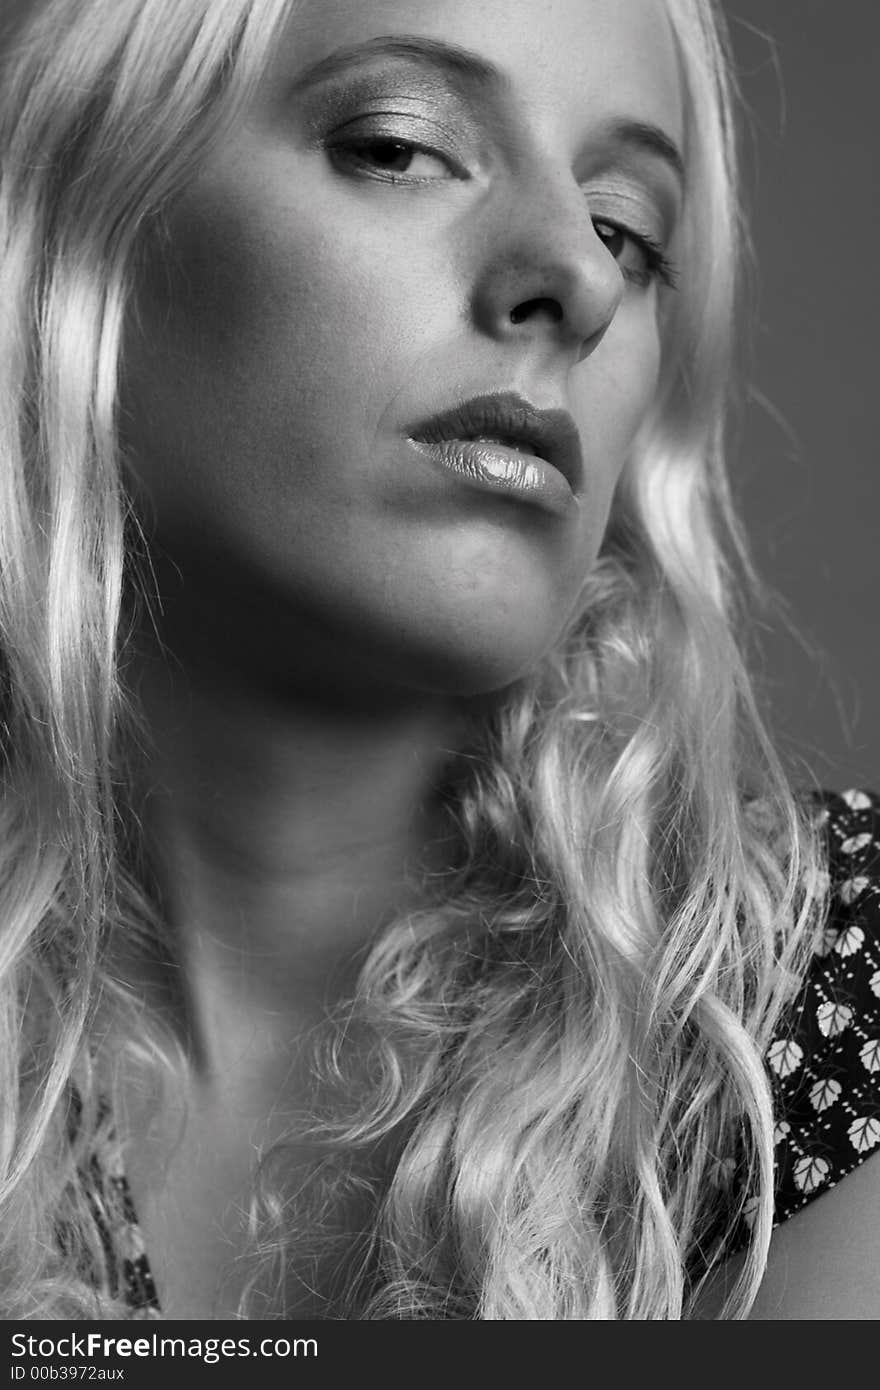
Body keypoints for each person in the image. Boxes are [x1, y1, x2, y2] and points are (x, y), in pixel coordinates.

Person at [0, 0, 877, 1321]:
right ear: (85, 226)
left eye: (629, 230)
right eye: (398, 145)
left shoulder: (820, 993)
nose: (574, 277)